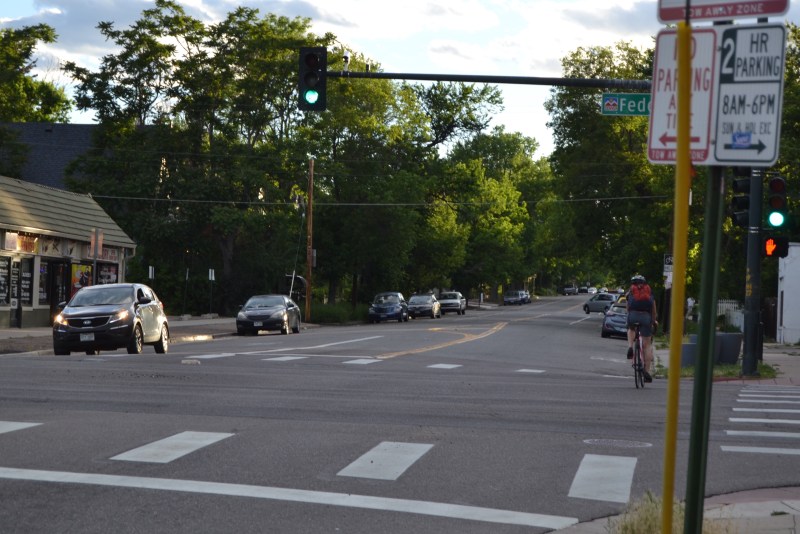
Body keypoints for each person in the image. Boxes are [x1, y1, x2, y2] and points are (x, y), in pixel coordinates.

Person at [626, 275, 658, 382]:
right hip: (646, 317)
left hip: (633, 315)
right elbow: (653, 309)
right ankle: (647, 372)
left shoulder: (630, 291)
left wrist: (630, 317)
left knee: (631, 329)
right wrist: (653, 321)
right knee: (647, 345)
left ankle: (630, 347)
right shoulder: (648, 290)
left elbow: (628, 308)